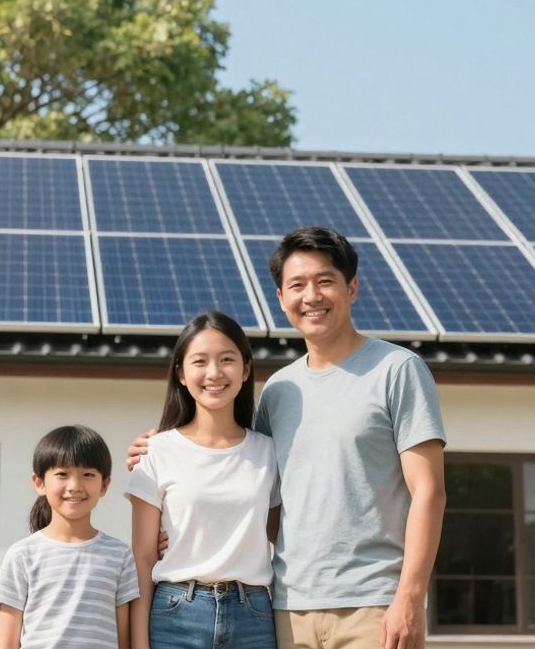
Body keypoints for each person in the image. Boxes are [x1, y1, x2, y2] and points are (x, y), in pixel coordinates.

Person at [129, 227, 446, 649]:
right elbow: (246, 481)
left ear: (352, 287)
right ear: (281, 298)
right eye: (297, 285)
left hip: (373, 603)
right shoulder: (279, 391)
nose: (311, 296)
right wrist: (166, 463)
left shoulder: (397, 370)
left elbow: (429, 491)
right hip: (287, 608)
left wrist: (409, 597)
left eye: (325, 281)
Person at [126, 311, 279, 649]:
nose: (214, 373)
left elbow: (280, 536)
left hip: (253, 617)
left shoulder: (268, 451)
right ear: (181, 373)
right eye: (200, 361)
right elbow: (143, 558)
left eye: (227, 360)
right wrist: (139, 644)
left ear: (246, 370)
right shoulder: (156, 451)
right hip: (175, 616)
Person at [0, 425, 140, 649]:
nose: (75, 486)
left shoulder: (120, 555)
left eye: (88, 475)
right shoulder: (22, 555)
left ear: (104, 485)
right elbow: (7, 643)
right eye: (62, 474)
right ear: (39, 483)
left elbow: (124, 642)